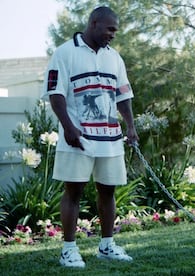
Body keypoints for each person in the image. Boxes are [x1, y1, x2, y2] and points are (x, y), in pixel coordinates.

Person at [42, 6, 138, 268]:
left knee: (108, 191)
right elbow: (56, 95)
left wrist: (130, 127)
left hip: (110, 139)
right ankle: (68, 250)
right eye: (110, 29)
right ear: (94, 23)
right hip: (78, 138)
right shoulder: (65, 53)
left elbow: (123, 96)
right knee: (73, 192)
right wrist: (69, 128)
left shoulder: (114, 58)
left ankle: (107, 246)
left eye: (115, 30)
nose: (113, 34)